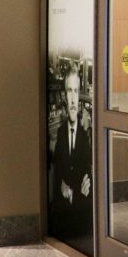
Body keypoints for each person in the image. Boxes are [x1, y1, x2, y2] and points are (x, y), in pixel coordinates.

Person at [50, 66, 93, 247]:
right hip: (62, 220)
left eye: (76, 91)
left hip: (83, 221)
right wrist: (60, 184)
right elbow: (58, 167)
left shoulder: (85, 137)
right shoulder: (60, 134)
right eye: (69, 91)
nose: (73, 98)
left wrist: (89, 182)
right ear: (64, 97)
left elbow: (89, 166)